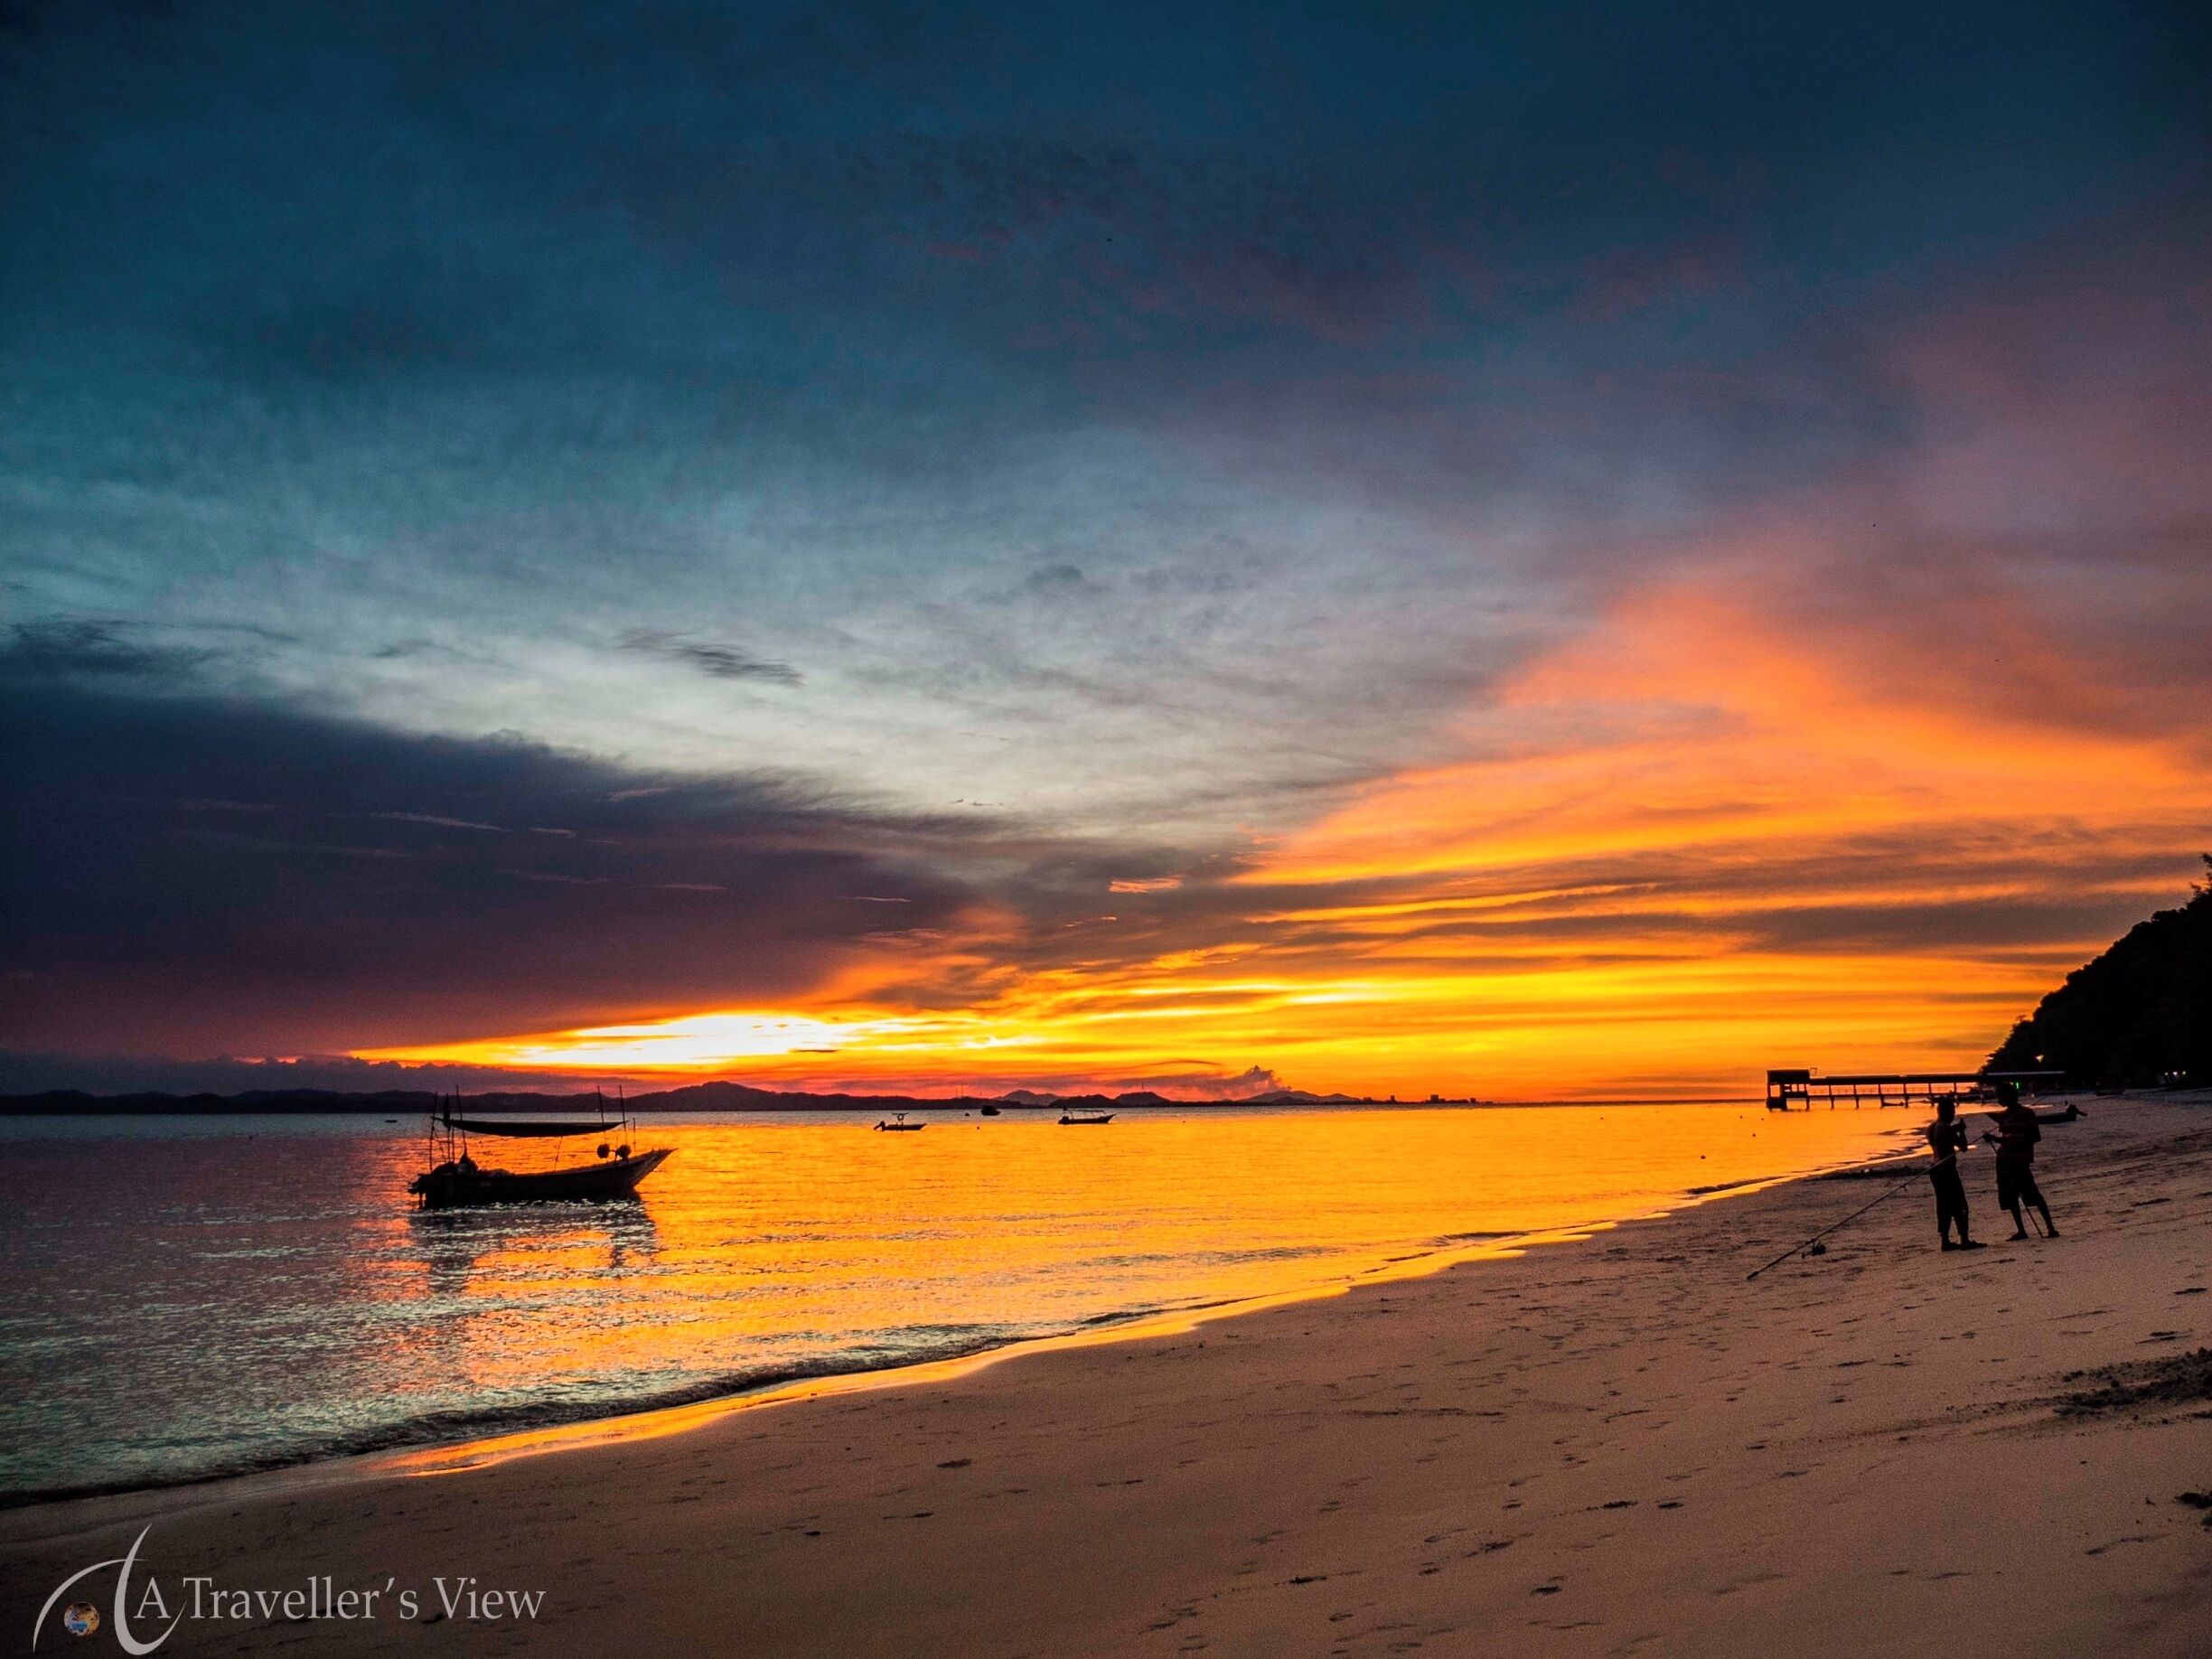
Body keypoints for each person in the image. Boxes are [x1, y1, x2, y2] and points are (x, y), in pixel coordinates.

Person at [1981, 1082, 2076, 1240]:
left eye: (2000, 1096)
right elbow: (2005, 1139)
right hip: (2004, 1159)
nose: (1999, 1099)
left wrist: (2016, 1143)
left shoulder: (2027, 1113)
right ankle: (2021, 1230)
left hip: (2019, 1160)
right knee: (2011, 1196)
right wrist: (1993, 1139)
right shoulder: (2003, 1116)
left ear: (2010, 1096)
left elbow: (2035, 1137)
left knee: (2033, 1193)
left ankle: (2050, 1228)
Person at [1924, 1097, 1982, 1251]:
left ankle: (1945, 1241)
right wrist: (1962, 1131)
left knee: (1943, 1205)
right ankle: (1964, 1240)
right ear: (1947, 1111)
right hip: (1947, 1169)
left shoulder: (1931, 1127)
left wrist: (1955, 1129)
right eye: (1953, 1111)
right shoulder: (1946, 1128)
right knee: (1959, 1204)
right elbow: (1963, 1146)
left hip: (1935, 1169)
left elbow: (1942, 1139)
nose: (1954, 1114)